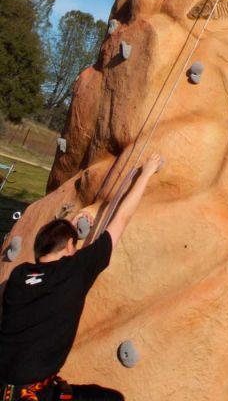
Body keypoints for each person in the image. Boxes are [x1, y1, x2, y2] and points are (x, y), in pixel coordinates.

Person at [0, 152, 162, 401]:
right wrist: (147, 172)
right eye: (74, 246)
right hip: (34, 395)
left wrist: (72, 228)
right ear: (68, 248)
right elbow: (121, 220)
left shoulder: (18, 277)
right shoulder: (73, 271)